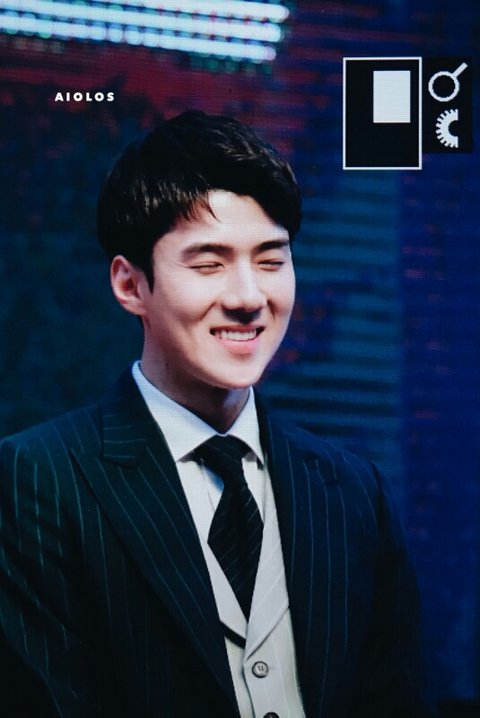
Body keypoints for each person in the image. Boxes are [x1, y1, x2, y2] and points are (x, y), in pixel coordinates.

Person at [0, 110, 432, 718]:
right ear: (130, 285)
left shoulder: (356, 492)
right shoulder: (36, 479)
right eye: (209, 264)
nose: (248, 297)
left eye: (271, 260)